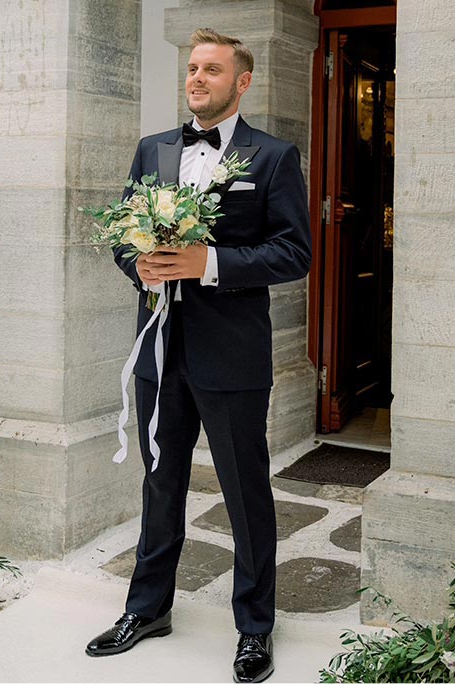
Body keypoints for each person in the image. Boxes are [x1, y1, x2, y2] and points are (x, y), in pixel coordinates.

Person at [86, 27, 311, 684]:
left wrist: (207, 262)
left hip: (232, 355)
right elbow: (124, 237)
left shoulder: (272, 157)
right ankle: (148, 609)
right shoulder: (151, 150)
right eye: (192, 68)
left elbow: (293, 252)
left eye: (213, 70)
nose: (197, 79)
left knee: (246, 492)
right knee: (161, 486)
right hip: (158, 350)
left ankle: (254, 628)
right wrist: (144, 268)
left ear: (243, 82)